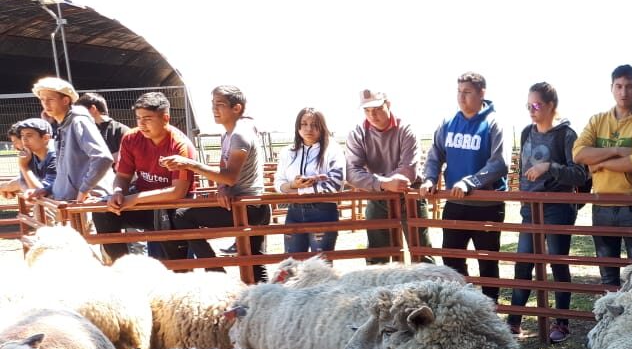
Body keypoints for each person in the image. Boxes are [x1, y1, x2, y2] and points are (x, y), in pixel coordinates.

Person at [160, 85, 271, 281]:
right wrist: (222, 188)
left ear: (236, 108)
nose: (214, 109)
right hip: (253, 205)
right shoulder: (229, 133)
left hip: (247, 207)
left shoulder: (239, 134)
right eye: (213, 104)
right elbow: (224, 170)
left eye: (220, 104)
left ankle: (216, 274)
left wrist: (189, 164)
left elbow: (230, 175)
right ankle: (264, 304)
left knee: (182, 216)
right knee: (254, 262)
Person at [506, 82, 589, 343]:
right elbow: (522, 169)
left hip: (557, 209)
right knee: (524, 262)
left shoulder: (567, 135)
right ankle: (514, 321)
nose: (531, 110)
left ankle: (561, 323)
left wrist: (549, 167)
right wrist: (523, 199)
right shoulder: (526, 132)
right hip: (530, 209)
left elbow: (580, 173)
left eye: (536, 105)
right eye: (528, 105)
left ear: (551, 105)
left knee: (557, 262)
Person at [420, 72, 507, 301]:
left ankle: (490, 308)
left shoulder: (494, 124)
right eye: (459, 91)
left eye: (467, 92)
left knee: (487, 260)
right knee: (452, 259)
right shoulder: (448, 123)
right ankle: (465, 303)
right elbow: (435, 155)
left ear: (482, 93)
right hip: (455, 203)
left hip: (487, 205)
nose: (461, 97)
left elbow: (499, 163)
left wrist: (470, 182)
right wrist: (429, 178)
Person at [573, 64, 632, 287]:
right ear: (611, 88)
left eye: (629, 86)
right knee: (608, 276)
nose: (624, 92)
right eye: (619, 86)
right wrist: (618, 151)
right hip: (602, 206)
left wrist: (598, 164)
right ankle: (610, 320)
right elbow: (578, 153)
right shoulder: (597, 120)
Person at [93, 92, 198, 261]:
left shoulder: (180, 144)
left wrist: (134, 199)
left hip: (173, 206)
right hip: (143, 202)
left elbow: (178, 192)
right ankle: (122, 267)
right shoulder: (131, 138)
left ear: (165, 118)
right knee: (103, 211)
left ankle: (180, 272)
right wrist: (118, 192)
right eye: (138, 118)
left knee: (175, 261)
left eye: (148, 118)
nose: (142, 124)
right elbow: (123, 176)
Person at [345, 89, 431, 264]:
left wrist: (382, 182)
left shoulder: (405, 129)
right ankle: (378, 291)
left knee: (421, 252)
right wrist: (384, 183)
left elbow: (409, 169)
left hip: (409, 195)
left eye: (376, 108)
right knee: (377, 254)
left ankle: (429, 289)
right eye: (367, 110)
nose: (372, 114)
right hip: (378, 194)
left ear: (388, 104)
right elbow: (351, 172)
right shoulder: (358, 134)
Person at [30, 76, 114, 204]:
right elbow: (68, 173)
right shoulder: (62, 125)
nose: (45, 104)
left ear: (65, 100)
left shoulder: (78, 121)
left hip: (87, 204)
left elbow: (103, 158)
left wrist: (84, 190)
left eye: (50, 99)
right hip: (71, 202)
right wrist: (48, 189)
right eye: (42, 99)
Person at [273, 107, 345, 254]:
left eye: (314, 124)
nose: (308, 128)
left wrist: (298, 190)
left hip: (323, 212)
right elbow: (278, 183)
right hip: (294, 212)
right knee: (292, 263)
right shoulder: (288, 152)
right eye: (304, 123)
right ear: (298, 126)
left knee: (320, 267)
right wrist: (293, 184)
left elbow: (336, 183)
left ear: (322, 127)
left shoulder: (332, 149)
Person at [76, 92, 130, 163]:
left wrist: (101, 161)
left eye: (80, 111)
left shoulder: (121, 130)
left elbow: (129, 153)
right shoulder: (85, 130)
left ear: (93, 109)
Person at [14, 118, 57, 198]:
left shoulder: (55, 157)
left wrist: (24, 166)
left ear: (45, 138)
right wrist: (28, 191)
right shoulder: (29, 154)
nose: (24, 139)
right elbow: (22, 181)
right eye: (22, 135)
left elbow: (41, 192)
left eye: (29, 135)